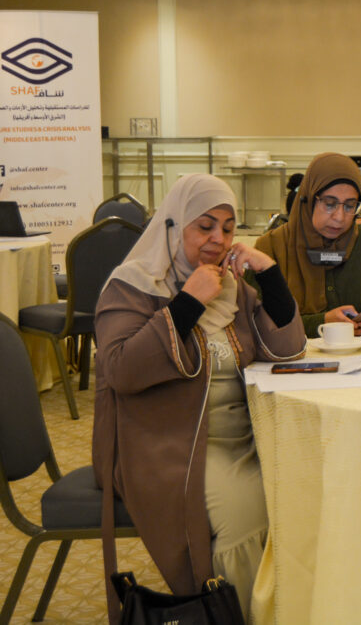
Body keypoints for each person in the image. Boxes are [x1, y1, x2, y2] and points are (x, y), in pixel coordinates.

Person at [93, 174, 306, 620]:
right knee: (246, 511)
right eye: (204, 226)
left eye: (228, 228)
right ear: (173, 226)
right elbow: (121, 370)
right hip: (169, 443)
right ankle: (234, 614)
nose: (218, 239)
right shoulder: (132, 286)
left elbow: (286, 348)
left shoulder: (230, 287)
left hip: (245, 436)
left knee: (302, 489)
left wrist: (269, 275)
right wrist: (187, 303)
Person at [255, 152, 361, 337]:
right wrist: (321, 323)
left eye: (350, 206)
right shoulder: (271, 247)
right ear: (308, 200)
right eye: (330, 204)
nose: (339, 217)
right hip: (294, 354)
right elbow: (256, 322)